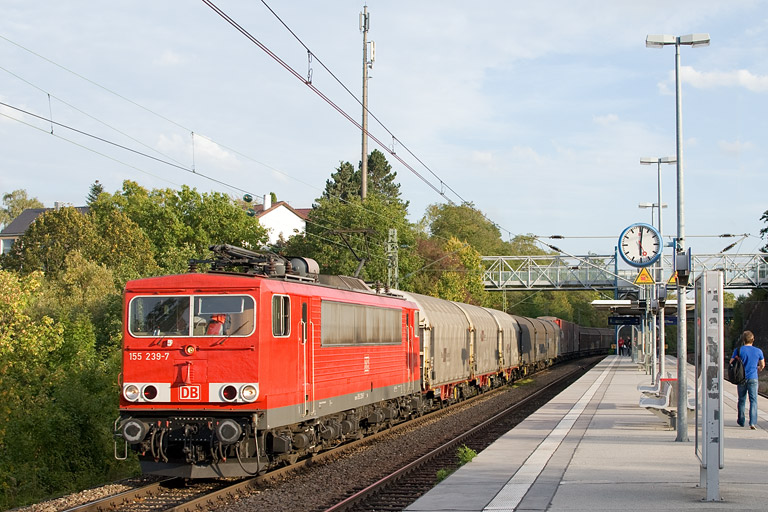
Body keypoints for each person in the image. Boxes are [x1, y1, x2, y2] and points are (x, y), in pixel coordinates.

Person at [730, 330, 765, 429]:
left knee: (741, 400)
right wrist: (758, 368)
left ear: (743, 340)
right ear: (753, 339)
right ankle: (752, 422)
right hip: (753, 378)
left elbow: (731, 362)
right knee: (753, 400)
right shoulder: (758, 351)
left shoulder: (739, 350)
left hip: (741, 378)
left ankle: (741, 420)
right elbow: (762, 365)